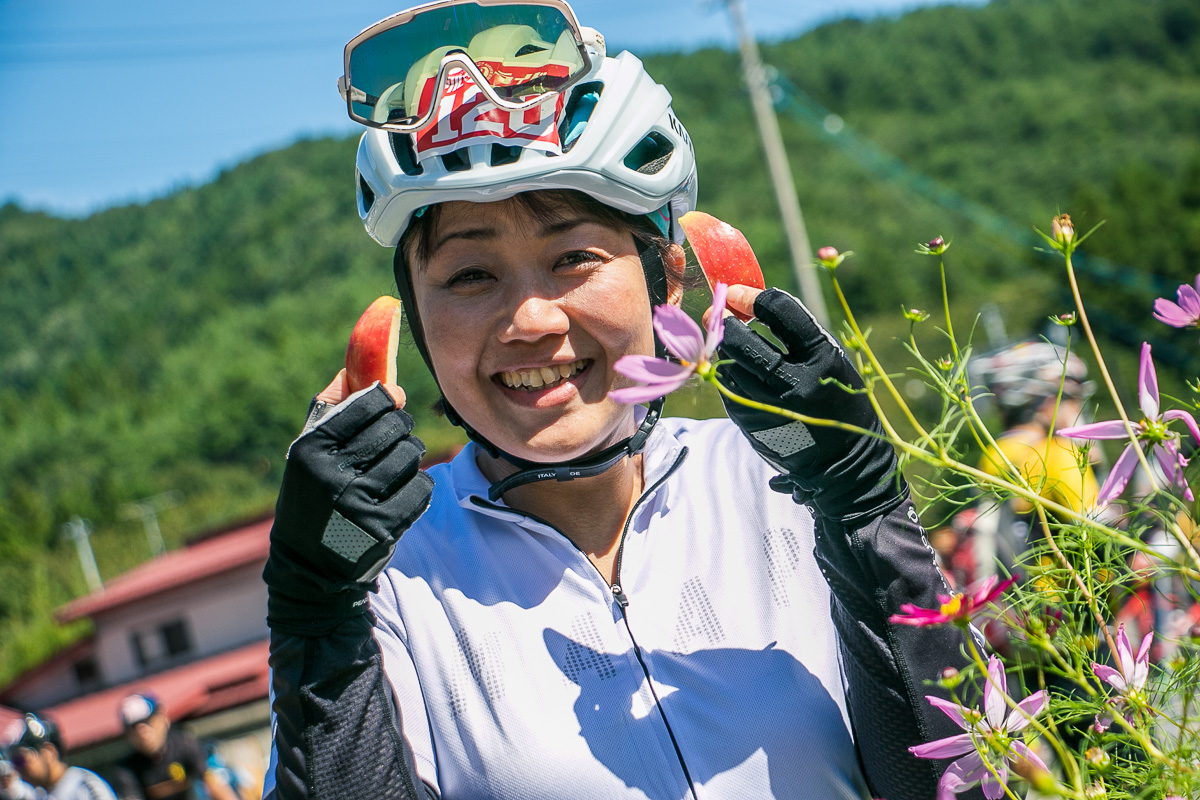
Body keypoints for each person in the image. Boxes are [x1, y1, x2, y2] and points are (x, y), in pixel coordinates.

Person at [262, 2, 975, 798]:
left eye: (573, 257)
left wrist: (865, 510)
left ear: (668, 279)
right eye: (469, 275)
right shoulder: (387, 586)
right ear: (418, 324)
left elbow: (961, 781)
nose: (530, 319)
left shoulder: (790, 491)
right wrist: (312, 617)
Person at [968, 339, 1100, 582]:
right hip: (1070, 605)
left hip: (1016, 603)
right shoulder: (1056, 454)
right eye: (1072, 398)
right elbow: (1102, 531)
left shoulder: (992, 456)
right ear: (1049, 400)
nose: (1078, 408)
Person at [109, 695, 240, 800]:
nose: (143, 733)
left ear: (163, 718)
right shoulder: (126, 770)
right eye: (134, 728)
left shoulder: (184, 744)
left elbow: (214, 784)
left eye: (147, 722)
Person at [8, 714, 116, 800]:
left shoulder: (84, 786)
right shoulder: (39, 795)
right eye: (14, 762)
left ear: (49, 752)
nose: (18, 769)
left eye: (20, 760)